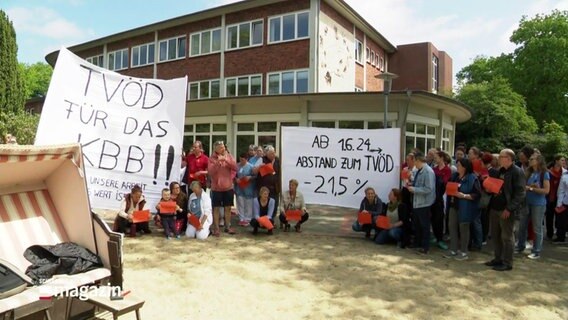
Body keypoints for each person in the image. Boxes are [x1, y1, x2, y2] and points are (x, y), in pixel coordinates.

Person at [484, 149, 526, 271]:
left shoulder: (517, 172)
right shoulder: (499, 171)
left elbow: (520, 193)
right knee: (495, 236)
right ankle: (498, 258)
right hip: (494, 207)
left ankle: (507, 262)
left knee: (507, 237)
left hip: (506, 209)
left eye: (501, 156)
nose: (498, 159)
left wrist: (509, 208)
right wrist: (489, 188)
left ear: (508, 158)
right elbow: (495, 186)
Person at [444, 158, 480, 261]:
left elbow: (477, 194)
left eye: (459, 165)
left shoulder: (472, 178)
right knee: (452, 227)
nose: (457, 167)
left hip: (465, 207)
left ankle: (464, 251)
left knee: (464, 229)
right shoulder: (455, 176)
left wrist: (464, 195)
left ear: (465, 167)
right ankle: (453, 249)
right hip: (453, 205)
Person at [516, 154, 550, 259]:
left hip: (538, 204)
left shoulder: (544, 173)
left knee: (537, 227)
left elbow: (546, 190)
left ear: (538, 160)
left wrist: (531, 189)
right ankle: (520, 246)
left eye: (531, 159)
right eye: (529, 159)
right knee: (522, 226)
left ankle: (536, 251)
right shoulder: (529, 172)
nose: (529, 161)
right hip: (526, 202)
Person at [407, 152, 436, 254]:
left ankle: (425, 246)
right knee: (417, 224)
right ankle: (417, 243)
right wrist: (411, 183)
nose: (414, 163)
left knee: (424, 225)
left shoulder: (428, 172)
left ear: (418, 160)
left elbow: (428, 188)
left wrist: (414, 189)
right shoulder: (420, 170)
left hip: (424, 203)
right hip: (417, 202)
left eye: (414, 161)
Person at [208, 140, 238, 236]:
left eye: (224, 147)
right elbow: (210, 172)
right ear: (215, 148)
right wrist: (218, 162)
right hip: (216, 188)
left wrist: (226, 160)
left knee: (228, 208)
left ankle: (227, 226)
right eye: (221, 147)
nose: (223, 148)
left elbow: (235, 167)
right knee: (216, 208)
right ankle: (216, 228)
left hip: (228, 187)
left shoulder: (229, 156)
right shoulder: (211, 158)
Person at [254, 145, 281, 223]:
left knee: (274, 205)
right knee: (263, 205)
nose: (273, 155)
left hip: (275, 187)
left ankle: (271, 221)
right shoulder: (261, 159)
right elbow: (254, 171)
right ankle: (261, 221)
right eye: (271, 153)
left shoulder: (278, 160)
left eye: (274, 153)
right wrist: (259, 167)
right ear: (266, 154)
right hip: (264, 187)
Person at [431, 151, 451, 250]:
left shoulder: (447, 170)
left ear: (442, 158)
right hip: (432, 196)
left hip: (441, 197)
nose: (435, 159)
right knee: (433, 218)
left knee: (439, 218)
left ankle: (440, 239)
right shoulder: (433, 169)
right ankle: (435, 236)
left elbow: (445, 182)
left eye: (436, 157)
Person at [546, 155, 566, 240]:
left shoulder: (564, 172)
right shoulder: (548, 172)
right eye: (562, 160)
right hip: (550, 197)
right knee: (549, 216)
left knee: (560, 217)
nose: (564, 162)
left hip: (560, 198)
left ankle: (559, 234)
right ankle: (549, 234)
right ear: (556, 161)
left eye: (564, 160)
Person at [235, 153, 255, 226]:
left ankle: (248, 218)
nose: (241, 161)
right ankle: (241, 218)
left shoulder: (251, 167)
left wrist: (250, 177)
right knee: (240, 203)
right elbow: (234, 174)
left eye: (243, 160)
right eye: (240, 159)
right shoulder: (237, 166)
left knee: (248, 204)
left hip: (248, 188)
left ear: (246, 159)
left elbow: (255, 176)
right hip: (239, 188)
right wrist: (236, 179)